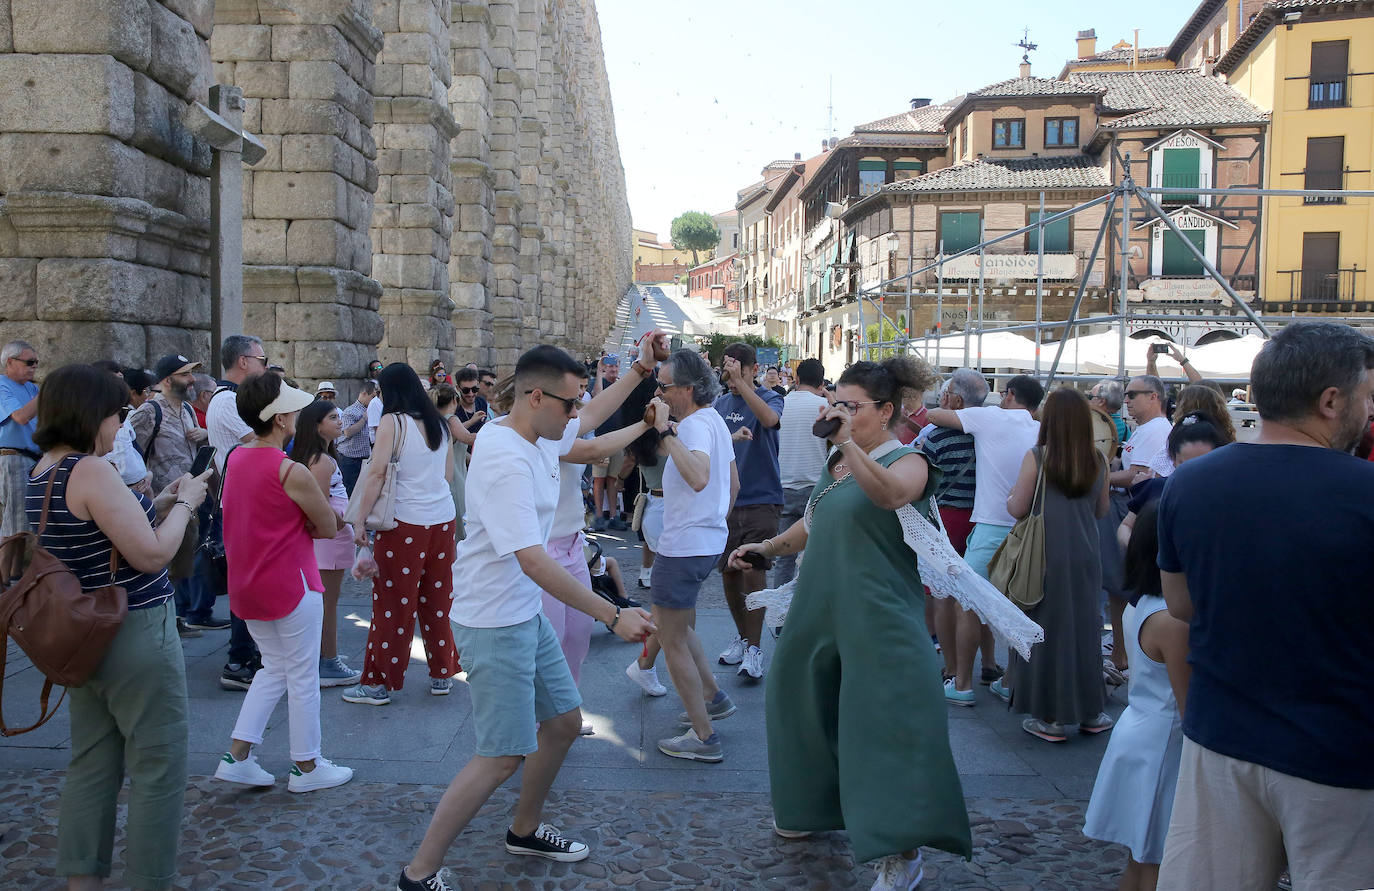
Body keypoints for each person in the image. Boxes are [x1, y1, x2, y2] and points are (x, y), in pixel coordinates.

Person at [396, 345, 654, 891]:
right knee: (501, 756)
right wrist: (614, 614)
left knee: (561, 724)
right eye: (567, 402)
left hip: (520, 613)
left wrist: (637, 372)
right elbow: (532, 560)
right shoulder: (506, 457)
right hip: (493, 622)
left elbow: (589, 418)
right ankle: (418, 874)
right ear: (536, 396)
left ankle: (525, 828)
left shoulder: (539, 428)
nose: (574, 412)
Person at [729, 356, 972, 891]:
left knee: (882, 727)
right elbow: (813, 526)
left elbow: (889, 495)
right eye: (835, 402)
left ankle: (902, 852)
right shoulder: (837, 463)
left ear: (885, 411)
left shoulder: (910, 459)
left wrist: (847, 446)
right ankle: (813, 807)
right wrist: (765, 548)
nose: (838, 412)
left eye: (851, 405)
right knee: (797, 701)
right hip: (820, 606)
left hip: (878, 612)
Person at [1155, 322, 1374, 891]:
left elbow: (1180, 604)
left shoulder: (1189, 483)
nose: (1368, 412)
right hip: (1340, 750)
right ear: (1331, 401)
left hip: (1222, 733)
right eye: (1367, 397)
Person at [26, 364, 210, 891]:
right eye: (114, 414)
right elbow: (151, 554)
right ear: (92, 414)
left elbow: (107, 534)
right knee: (158, 763)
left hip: (86, 634)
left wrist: (166, 500)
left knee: (91, 764)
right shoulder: (91, 469)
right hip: (134, 630)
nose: (117, 426)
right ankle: (151, 879)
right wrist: (190, 504)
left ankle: (81, 880)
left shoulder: (45, 468)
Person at [213, 373, 353, 792]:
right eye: (290, 409)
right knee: (303, 674)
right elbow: (328, 525)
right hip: (292, 581)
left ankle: (237, 755)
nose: (296, 414)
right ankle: (307, 766)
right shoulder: (287, 468)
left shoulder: (237, 457)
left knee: (274, 668)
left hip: (249, 581)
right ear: (279, 420)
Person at [1085, 499, 1191, 891]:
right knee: (1160, 866)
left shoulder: (1141, 604)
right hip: (1165, 744)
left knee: (1141, 860)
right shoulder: (1172, 620)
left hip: (1141, 732)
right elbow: (1188, 705)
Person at [341, 363, 458, 705]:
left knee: (394, 603)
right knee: (438, 601)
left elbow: (377, 473)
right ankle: (441, 673)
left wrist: (360, 520)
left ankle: (378, 682)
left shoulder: (393, 421)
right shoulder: (440, 422)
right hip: (442, 520)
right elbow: (447, 475)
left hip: (405, 522)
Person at [1004, 388, 1113, 742]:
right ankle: (1091, 711)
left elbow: (1018, 508)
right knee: (1085, 629)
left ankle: (1049, 717)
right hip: (1084, 553)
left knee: (1043, 630)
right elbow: (1101, 511)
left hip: (1044, 554)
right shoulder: (1099, 458)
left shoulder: (1038, 455)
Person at [927, 373, 1043, 705]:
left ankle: (961, 682)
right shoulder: (1038, 429)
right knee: (1017, 606)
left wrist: (946, 406)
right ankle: (1007, 679)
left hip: (990, 524)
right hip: (1027, 527)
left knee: (968, 603)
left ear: (1009, 395)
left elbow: (935, 415)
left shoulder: (991, 417)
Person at [650, 349, 739, 762]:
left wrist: (665, 434)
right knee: (681, 629)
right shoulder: (714, 420)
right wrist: (714, 520)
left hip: (684, 545)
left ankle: (703, 736)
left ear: (686, 389)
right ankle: (713, 697)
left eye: (664, 386)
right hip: (705, 541)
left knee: (671, 639)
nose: (659, 392)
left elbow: (701, 477)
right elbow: (732, 483)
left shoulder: (691, 428)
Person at [714, 342, 784, 680]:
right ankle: (743, 638)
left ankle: (755, 649)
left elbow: (770, 420)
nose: (730, 378)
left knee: (753, 570)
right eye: (727, 370)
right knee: (728, 572)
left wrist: (742, 384)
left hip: (762, 499)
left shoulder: (771, 397)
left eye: (738, 370)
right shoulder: (720, 403)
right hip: (727, 501)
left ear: (753, 370)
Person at [129, 354, 212, 638]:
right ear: (167, 380)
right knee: (163, 562)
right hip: (162, 501)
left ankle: (175, 616)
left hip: (188, 498)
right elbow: (130, 453)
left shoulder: (187, 409)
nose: (192, 380)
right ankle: (162, 620)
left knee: (181, 561)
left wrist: (204, 436)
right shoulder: (150, 412)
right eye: (185, 374)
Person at [205, 335, 269, 691]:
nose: (265, 365)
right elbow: (258, 440)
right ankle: (240, 659)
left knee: (249, 581)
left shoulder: (228, 398)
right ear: (243, 361)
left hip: (241, 501)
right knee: (246, 583)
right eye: (262, 359)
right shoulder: (227, 400)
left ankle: (247, 655)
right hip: (243, 504)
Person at [288, 400, 364, 688]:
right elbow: (317, 502)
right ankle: (328, 661)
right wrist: (342, 521)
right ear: (317, 424)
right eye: (333, 417)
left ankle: (325, 655)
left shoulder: (320, 456)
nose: (340, 421)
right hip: (330, 538)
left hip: (331, 536)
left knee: (326, 601)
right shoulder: (321, 460)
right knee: (327, 603)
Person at [921, 369, 984, 686]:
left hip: (945, 518)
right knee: (977, 594)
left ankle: (952, 668)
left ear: (956, 399)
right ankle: (985, 665)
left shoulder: (935, 435)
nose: (940, 397)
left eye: (945, 392)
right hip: (980, 518)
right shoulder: (987, 433)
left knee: (943, 594)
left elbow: (921, 477)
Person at [773, 358, 829, 588]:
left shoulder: (780, 405)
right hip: (816, 488)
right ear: (821, 382)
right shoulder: (825, 406)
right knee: (817, 558)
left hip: (783, 486)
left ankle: (779, 619)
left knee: (783, 557)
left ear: (795, 379)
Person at [1144, 384, 1236, 478]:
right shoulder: (1225, 441)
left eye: (1178, 405)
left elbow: (1159, 475)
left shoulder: (1182, 442)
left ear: (1184, 408)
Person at [1, 339, 41, 537]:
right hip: (13, 458)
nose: (34, 367)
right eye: (29, 362)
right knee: (13, 527)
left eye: (36, 363)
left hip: (31, 459)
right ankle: (5, 569)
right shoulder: (2, 386)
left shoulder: (31, 389)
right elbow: (21, 417)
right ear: (10, 362)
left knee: (22, 527)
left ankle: (15, 570)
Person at [432, 384, 477, 541]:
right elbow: (468, 438)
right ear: (454, 400)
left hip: (443, 478)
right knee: (461, 530)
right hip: (456, 480)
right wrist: (496, 431)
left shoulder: (434, 420)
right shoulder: (451, 419)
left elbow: (456, 447)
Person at [588, 354, 628, 531]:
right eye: (610, 367)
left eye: (615, 367)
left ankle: (612, 515)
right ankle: (598, 516)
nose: (613, 370)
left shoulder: (620, 384)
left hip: (617, 438)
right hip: (601, 438)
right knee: (599, 479)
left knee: (612, 479)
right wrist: (598, 373)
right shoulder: (599, 383)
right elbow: (597, 397)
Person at [334, 379, 376, 495]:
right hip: (350, 460)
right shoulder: (350, 411)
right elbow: (348, 432)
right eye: (372, 397)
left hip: (365, 459)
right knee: (350, 492)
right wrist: (364, 419)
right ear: (363, 394)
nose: (374, 400)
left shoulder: (372, 410)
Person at [1089, 379, 1129, 445]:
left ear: (1101, 401)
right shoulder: (1124, 429)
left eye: (1090, 396)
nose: (1087, 400)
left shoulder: (1091, 424)